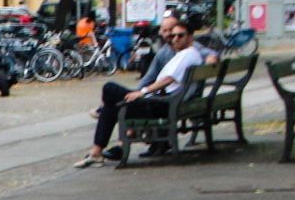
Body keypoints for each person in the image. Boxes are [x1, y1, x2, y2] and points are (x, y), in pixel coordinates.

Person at [80, 15, 203, 165]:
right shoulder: (185, 54)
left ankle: (107, 145)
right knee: (110, 107)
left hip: (162, 105)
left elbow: (168, 79)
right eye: (173, 35)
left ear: (190, 36)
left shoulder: (187, 54)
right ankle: (97, 151)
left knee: (109, 89)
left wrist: (142, 92)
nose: (175, 38)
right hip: (166, 103)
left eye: (180, 35)